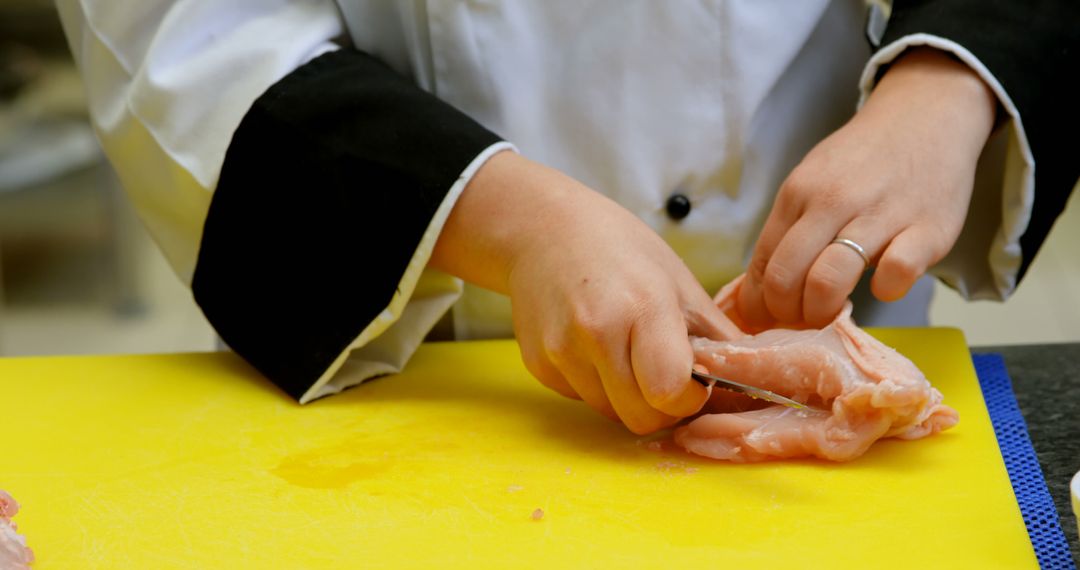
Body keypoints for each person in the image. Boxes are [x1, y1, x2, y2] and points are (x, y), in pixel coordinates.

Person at [57, 1, 1078, 434]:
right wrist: (511, 219)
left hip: (838, 315)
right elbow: (183, 37)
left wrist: (949, 80)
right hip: (428, 350)